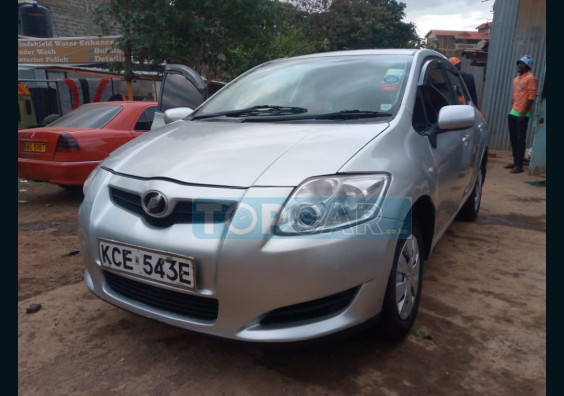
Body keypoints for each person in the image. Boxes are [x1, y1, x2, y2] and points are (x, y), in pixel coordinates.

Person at [505, 55, 538, 174]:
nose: (519, 65)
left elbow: (532, 96)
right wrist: (512, 108)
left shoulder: (531, 78)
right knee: (513, 138)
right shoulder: (516, 79)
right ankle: (515, 161)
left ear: (527, 66)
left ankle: (519, 166)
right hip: (513, 112)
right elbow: (515, 96)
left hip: (523, 114)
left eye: (522, 64)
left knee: (520, 139)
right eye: (519, 63)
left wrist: (524, 111)